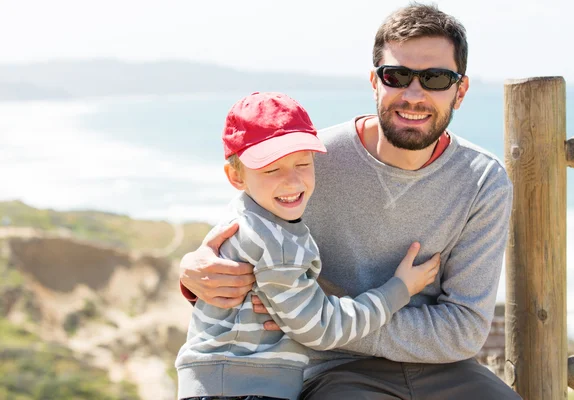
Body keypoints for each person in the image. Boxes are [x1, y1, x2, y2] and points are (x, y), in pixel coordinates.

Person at [180, 3, 521, 399]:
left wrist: (317, 320)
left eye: (435, 78)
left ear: (459, 91)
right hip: (334, 370)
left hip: (444, 371)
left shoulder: (483, 180)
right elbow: (243, 233)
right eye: (397, 75)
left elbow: (463, 330)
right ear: (375, 82)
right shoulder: (308, 161)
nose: (414, 95)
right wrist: (191, 270)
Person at [175, 91, 441, 400]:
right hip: (251, 389)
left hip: (211, 382)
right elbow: (322, 329)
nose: (292, 181)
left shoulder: (243, 214)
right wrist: (399, 290)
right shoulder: (277, 243)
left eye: (303, 163)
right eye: (272, 169)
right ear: (236, 176)